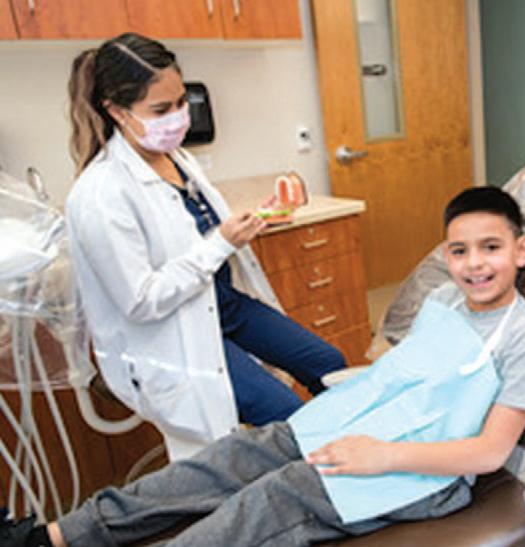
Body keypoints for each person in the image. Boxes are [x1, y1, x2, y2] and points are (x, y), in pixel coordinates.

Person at [2, 186, 525, 547]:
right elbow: (407, 378)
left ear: (522, 250)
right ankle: (53, 537)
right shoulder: (443, 300)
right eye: (459, 250)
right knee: (225, 461)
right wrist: (352, 418)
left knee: (268, 498)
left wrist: (381, 455)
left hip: (416, 474)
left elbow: (489, 453)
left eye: (491, 247)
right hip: (344, 428)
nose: (474, 264)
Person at [64, 33, 345, 460]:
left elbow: (194, 232)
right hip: (173, 333)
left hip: (223, 305)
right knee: (286, 414)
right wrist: (220, 243)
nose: (178, 117)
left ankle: (350, 454)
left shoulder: (178, 159)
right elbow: (141, 301)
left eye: (181, 102)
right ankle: (322, 477)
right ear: (117, 111)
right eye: (161, 110)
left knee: (329, 364)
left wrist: (256, 219)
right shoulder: (101, 193)